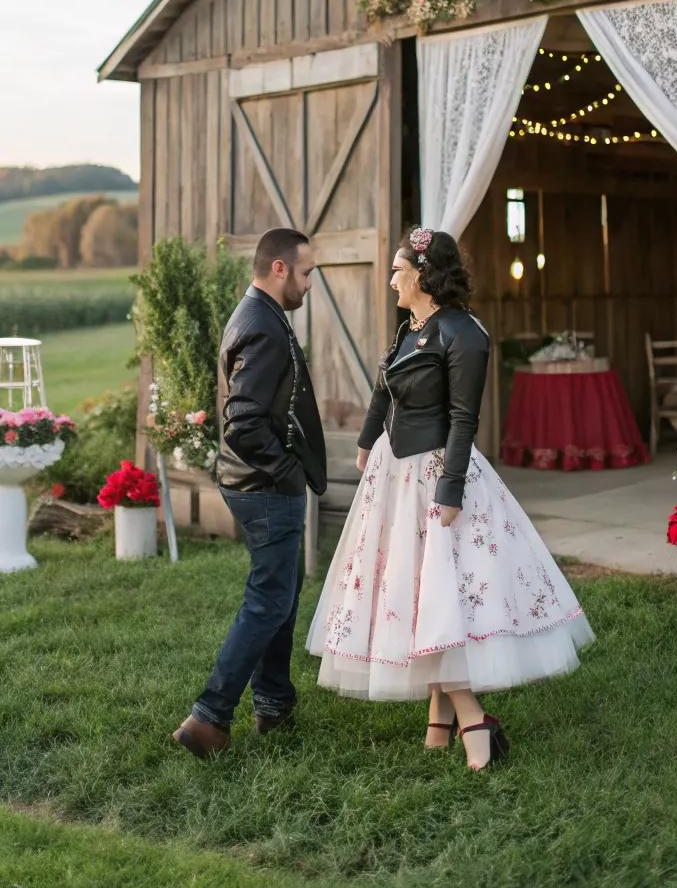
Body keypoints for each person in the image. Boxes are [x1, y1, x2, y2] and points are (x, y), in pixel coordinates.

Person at [306, 226, 593, 771]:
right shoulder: (409, 326)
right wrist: (368, 442)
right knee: (418, 592)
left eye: (397, 270)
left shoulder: (465, 334)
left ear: (423, 275)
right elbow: (382, 388)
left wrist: (451, 489)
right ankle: (440, 720)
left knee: (439, 595)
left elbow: (464, 419)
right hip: (394, 472)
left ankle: (473, 719)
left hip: (436, 473)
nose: (391, 278)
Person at [173, 226, 327, 759]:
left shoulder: (260, 314)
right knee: (268, 601)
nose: (311, 283)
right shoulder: (261, 324)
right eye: (306, 272)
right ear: (279, 268)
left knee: (280, 598)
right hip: (264, 487)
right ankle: (208, 718)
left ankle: (274, 704)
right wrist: (284, 471)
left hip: (259, 484)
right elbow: (242, 422)